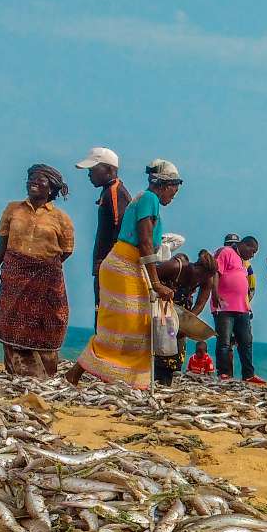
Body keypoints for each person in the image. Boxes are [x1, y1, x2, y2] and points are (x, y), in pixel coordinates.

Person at [66, 160, 182, 389]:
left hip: (131, 266)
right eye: (173, 191)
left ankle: (127, 379)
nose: (173, 196)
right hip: (123, 266)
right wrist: (156, 283)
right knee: (124, 326)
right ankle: (76, 372)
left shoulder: (147, 200)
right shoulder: (149, 199)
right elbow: (145, 242)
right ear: (164, 185)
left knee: (136, 325)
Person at [0, 163, 74, 378]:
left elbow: (66, 250)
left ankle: (44, 374)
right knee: (11, 320)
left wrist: (43, 266)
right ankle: (16, 373)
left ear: (51, 188)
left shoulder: (61, 218)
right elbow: (3, 240)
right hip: (14, 274)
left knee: (49, 321)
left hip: (47, 278)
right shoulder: (13, 209)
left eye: (40, 179)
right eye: (31, 178)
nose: (33, 182)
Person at [75, 147, 130, 322]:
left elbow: (120, 230)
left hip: (110, 267)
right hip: (106, 266)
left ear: (109, 169)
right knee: (102, 314)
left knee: (105, 315)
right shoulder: (108, 191)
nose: (89, 174)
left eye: (92, 170)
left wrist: (108, 263)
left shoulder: (114, 192)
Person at [151, 243, 215, 386]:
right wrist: (162, 290)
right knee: (158, 347)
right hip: (161, 309)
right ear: (196, 268)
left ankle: (167, 384)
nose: (199, 281)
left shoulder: (207, 279)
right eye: (199, 276)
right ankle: (153, 380)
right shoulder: (176, 267)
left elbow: (200, 304)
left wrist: (185, 324)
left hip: (181, 313)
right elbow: (150, 277)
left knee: (176, 352)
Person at [213, 236, 261, 382]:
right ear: (244, 245)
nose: (252, 255)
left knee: (246, 341)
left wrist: (248, 305)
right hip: (224, 307)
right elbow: (216, 272)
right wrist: (215, 293)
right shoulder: (225, 252)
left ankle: (248, 374)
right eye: (252, 251)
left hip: (242, 307)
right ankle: (224, 373)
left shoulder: (242, 261)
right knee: (224, 342)